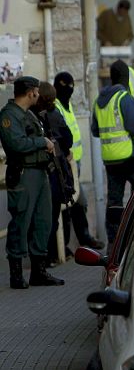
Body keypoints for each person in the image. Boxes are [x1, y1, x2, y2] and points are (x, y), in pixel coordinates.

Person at [0, 76, 64, 288]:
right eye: (37, 91)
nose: (39, 95)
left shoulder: (29, 115)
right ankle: (16, 274)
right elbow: (16, 143)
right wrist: (41, 141)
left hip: (39, 172)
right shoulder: (9, 116)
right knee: (21, 221)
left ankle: (39, 271)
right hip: (24, 174)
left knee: (43, 222)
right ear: (30, 93)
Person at [91, 60, 134, 246]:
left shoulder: (99, 101)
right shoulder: (123, 97)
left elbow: (95, 130)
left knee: (114, 200)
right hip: (129, 156)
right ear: (126, 77)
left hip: (110, 159)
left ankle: (114, 242)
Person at [53, 72, 104, 251]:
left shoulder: (67, 106)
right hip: (65, 164)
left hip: (76, 164)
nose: (71, 89)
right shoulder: (57, 106)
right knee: (73, 203)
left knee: (75, 203)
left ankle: (79, 240)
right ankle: (70, 243)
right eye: (67, 85)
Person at [34, 83, 74, 266]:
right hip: (56, 173)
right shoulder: (55, 115)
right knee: (53, 217)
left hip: (46, 173)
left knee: (44, 218)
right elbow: (68, 138)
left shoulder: (35, 116)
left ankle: (46, 257)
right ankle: (50, 256)